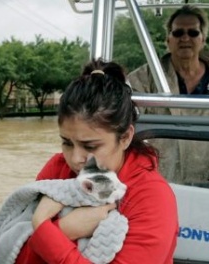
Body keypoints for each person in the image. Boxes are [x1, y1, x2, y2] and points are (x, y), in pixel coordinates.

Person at [15, 59, 178, 263]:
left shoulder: (151, 197)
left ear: (125, 137)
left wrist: (45, 228)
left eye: (90, 146)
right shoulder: (58, 168)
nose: (75, 159)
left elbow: (32, 244)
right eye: (66, 143)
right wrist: (63, 230)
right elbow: (12, 252)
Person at [127, 5, 209, 186]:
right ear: (168, 39)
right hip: (156, 185)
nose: (185, 38)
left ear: (203, 39)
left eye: (192, 32)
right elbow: (122, 121)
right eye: (178, 33)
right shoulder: (143, 79)